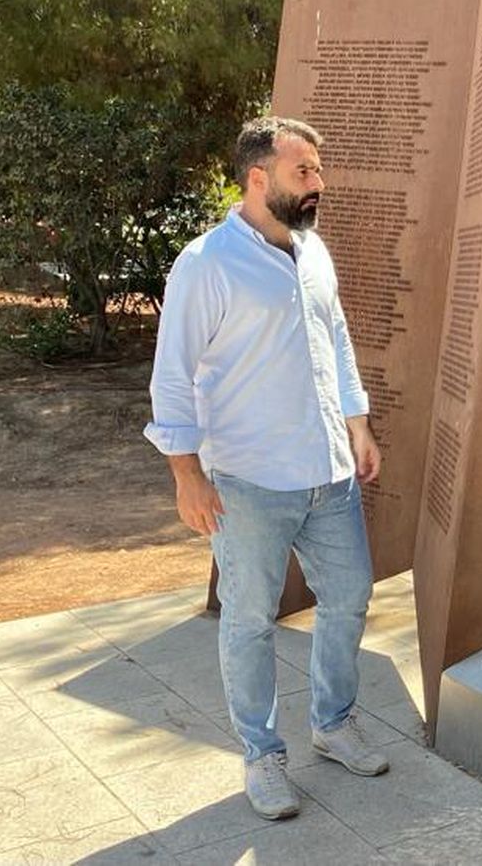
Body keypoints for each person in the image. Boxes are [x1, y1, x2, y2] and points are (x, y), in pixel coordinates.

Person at [144, 115, 389, 820]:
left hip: (329, 473)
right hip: (247, 481)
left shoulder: (314, 254)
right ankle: (263, 756)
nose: (319, 184)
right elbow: (173, 376)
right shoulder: (206, 263)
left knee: (348, 597)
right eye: (304, 172)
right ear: (259, 178)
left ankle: (334, 723)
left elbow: (335, 344)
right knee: (250, 620)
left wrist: (358, 426)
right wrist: (186, 474)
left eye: (318, 170)